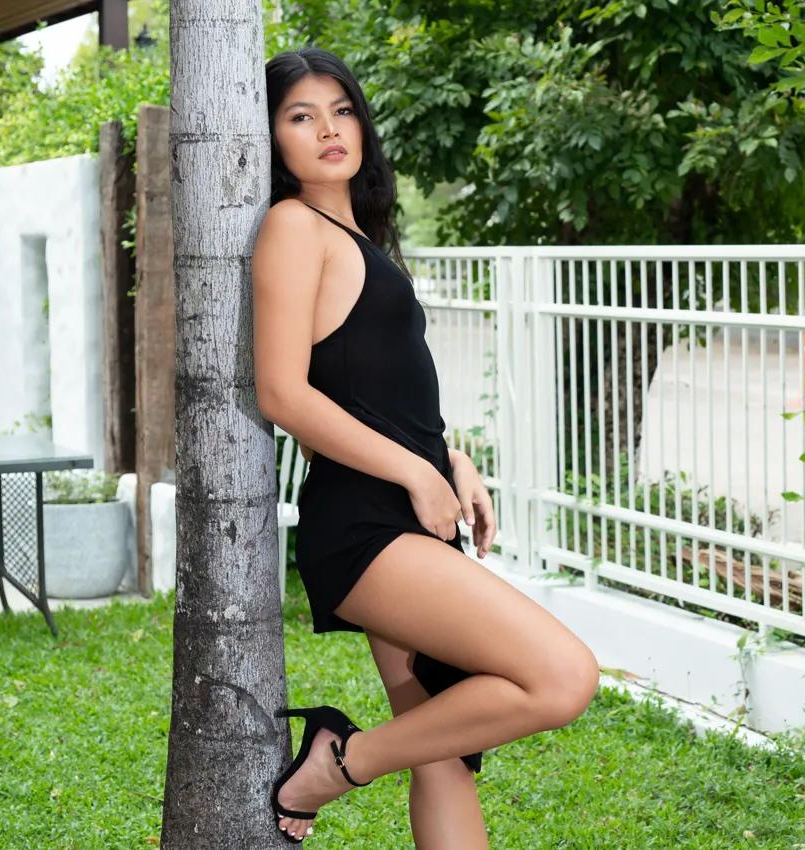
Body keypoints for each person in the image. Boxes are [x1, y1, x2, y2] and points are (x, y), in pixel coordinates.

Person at [253, 47, 599, 846]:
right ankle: (335, 763)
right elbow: (284, 393)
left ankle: (343, 760)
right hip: (367, 523)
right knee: (561, 677)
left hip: (408, 506)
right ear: (272, 139)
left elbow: (377, 388)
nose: (329, 130)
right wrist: (416, 471)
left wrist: (450, 462)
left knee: (442, 754)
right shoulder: (294, 226)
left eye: (342, 111)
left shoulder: (357, 236)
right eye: (301, 116)